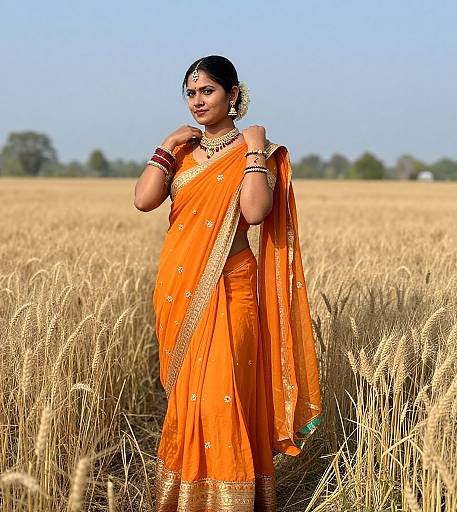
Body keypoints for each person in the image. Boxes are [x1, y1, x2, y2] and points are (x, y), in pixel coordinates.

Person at [134, 55, 322, 512]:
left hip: (230, 285)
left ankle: (232, 500)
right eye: (191, 93)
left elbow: (255, 213)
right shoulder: (181, 153)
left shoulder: (254, 151)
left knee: (225, 393)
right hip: (178, 287)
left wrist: (255, 149)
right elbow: (143, 200)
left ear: (233, 95)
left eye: (208, 92)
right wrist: (165, 145)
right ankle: (186, 498)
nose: (198, 101)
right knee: (187, 397)